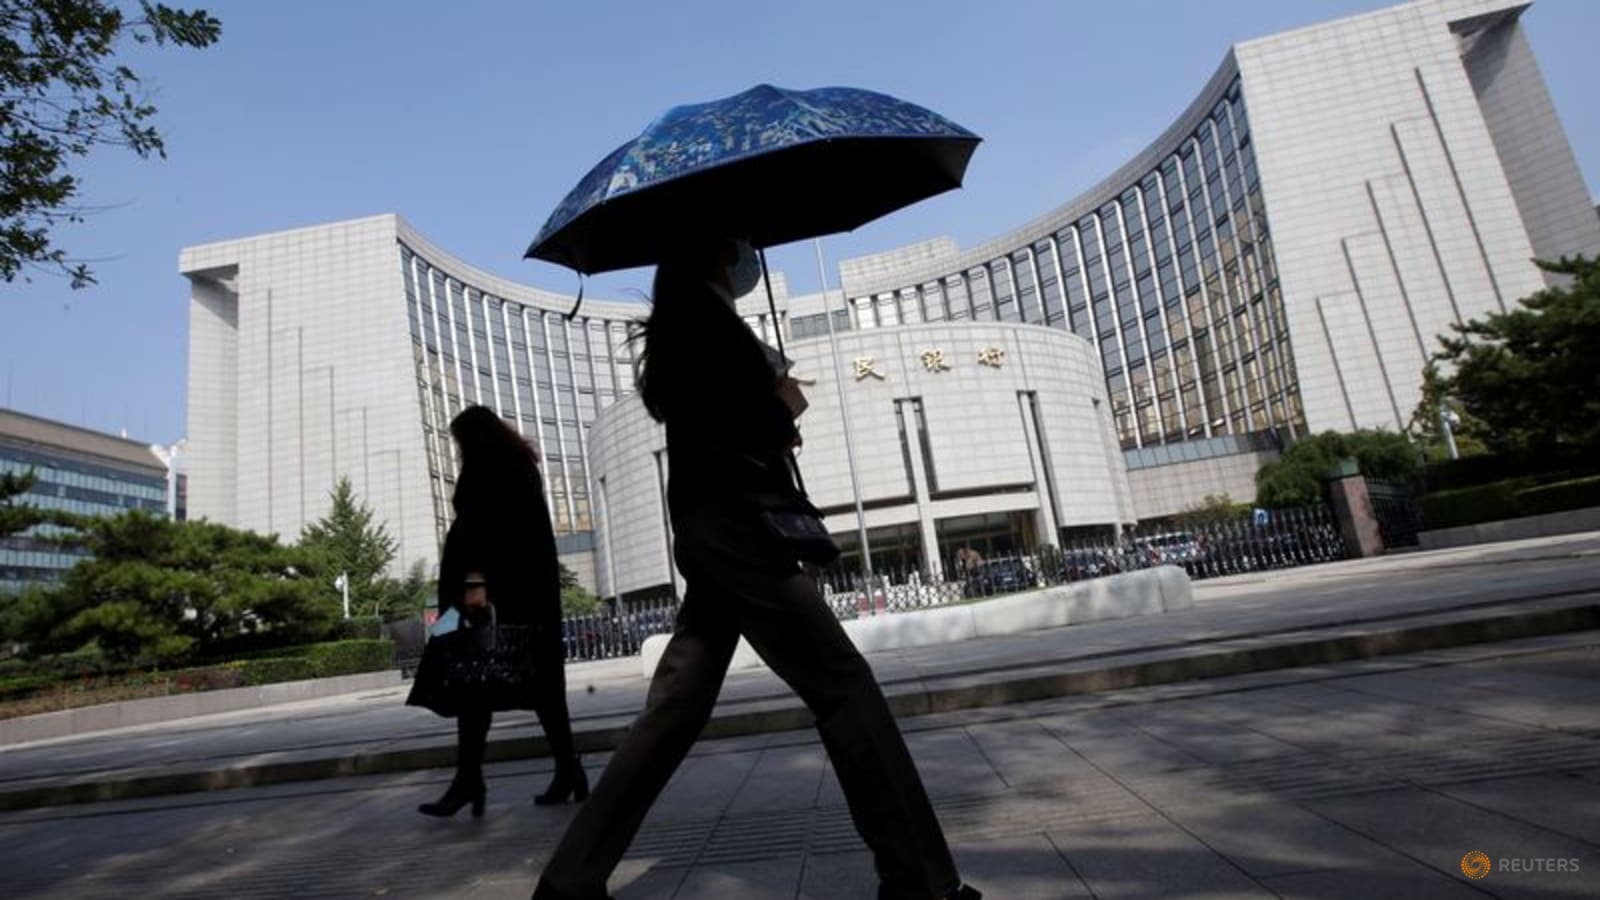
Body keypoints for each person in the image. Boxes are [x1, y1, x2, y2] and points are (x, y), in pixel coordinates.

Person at [531, 239, 979, 900]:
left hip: (713, 532)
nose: (746, 252)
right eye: (737, 240)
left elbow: (704, 421)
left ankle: (568, 882)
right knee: (844, 686)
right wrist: (782, 403)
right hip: (740, 531)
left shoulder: (683, 323)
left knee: (673, 711)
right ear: (713, 252)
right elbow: (740, 427)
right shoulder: (709, 324)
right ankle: (920, 882)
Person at [419, 405, 585, 818]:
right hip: (524, 598)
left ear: (472, 438)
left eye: (459, 440)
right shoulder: (519, 465)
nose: (458, 449)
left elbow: (480, 532)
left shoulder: (488, 467)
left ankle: (469, 781)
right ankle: (565, 770)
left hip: (483, 599)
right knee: (538, 685)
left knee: (469, 682)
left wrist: (474, 585)